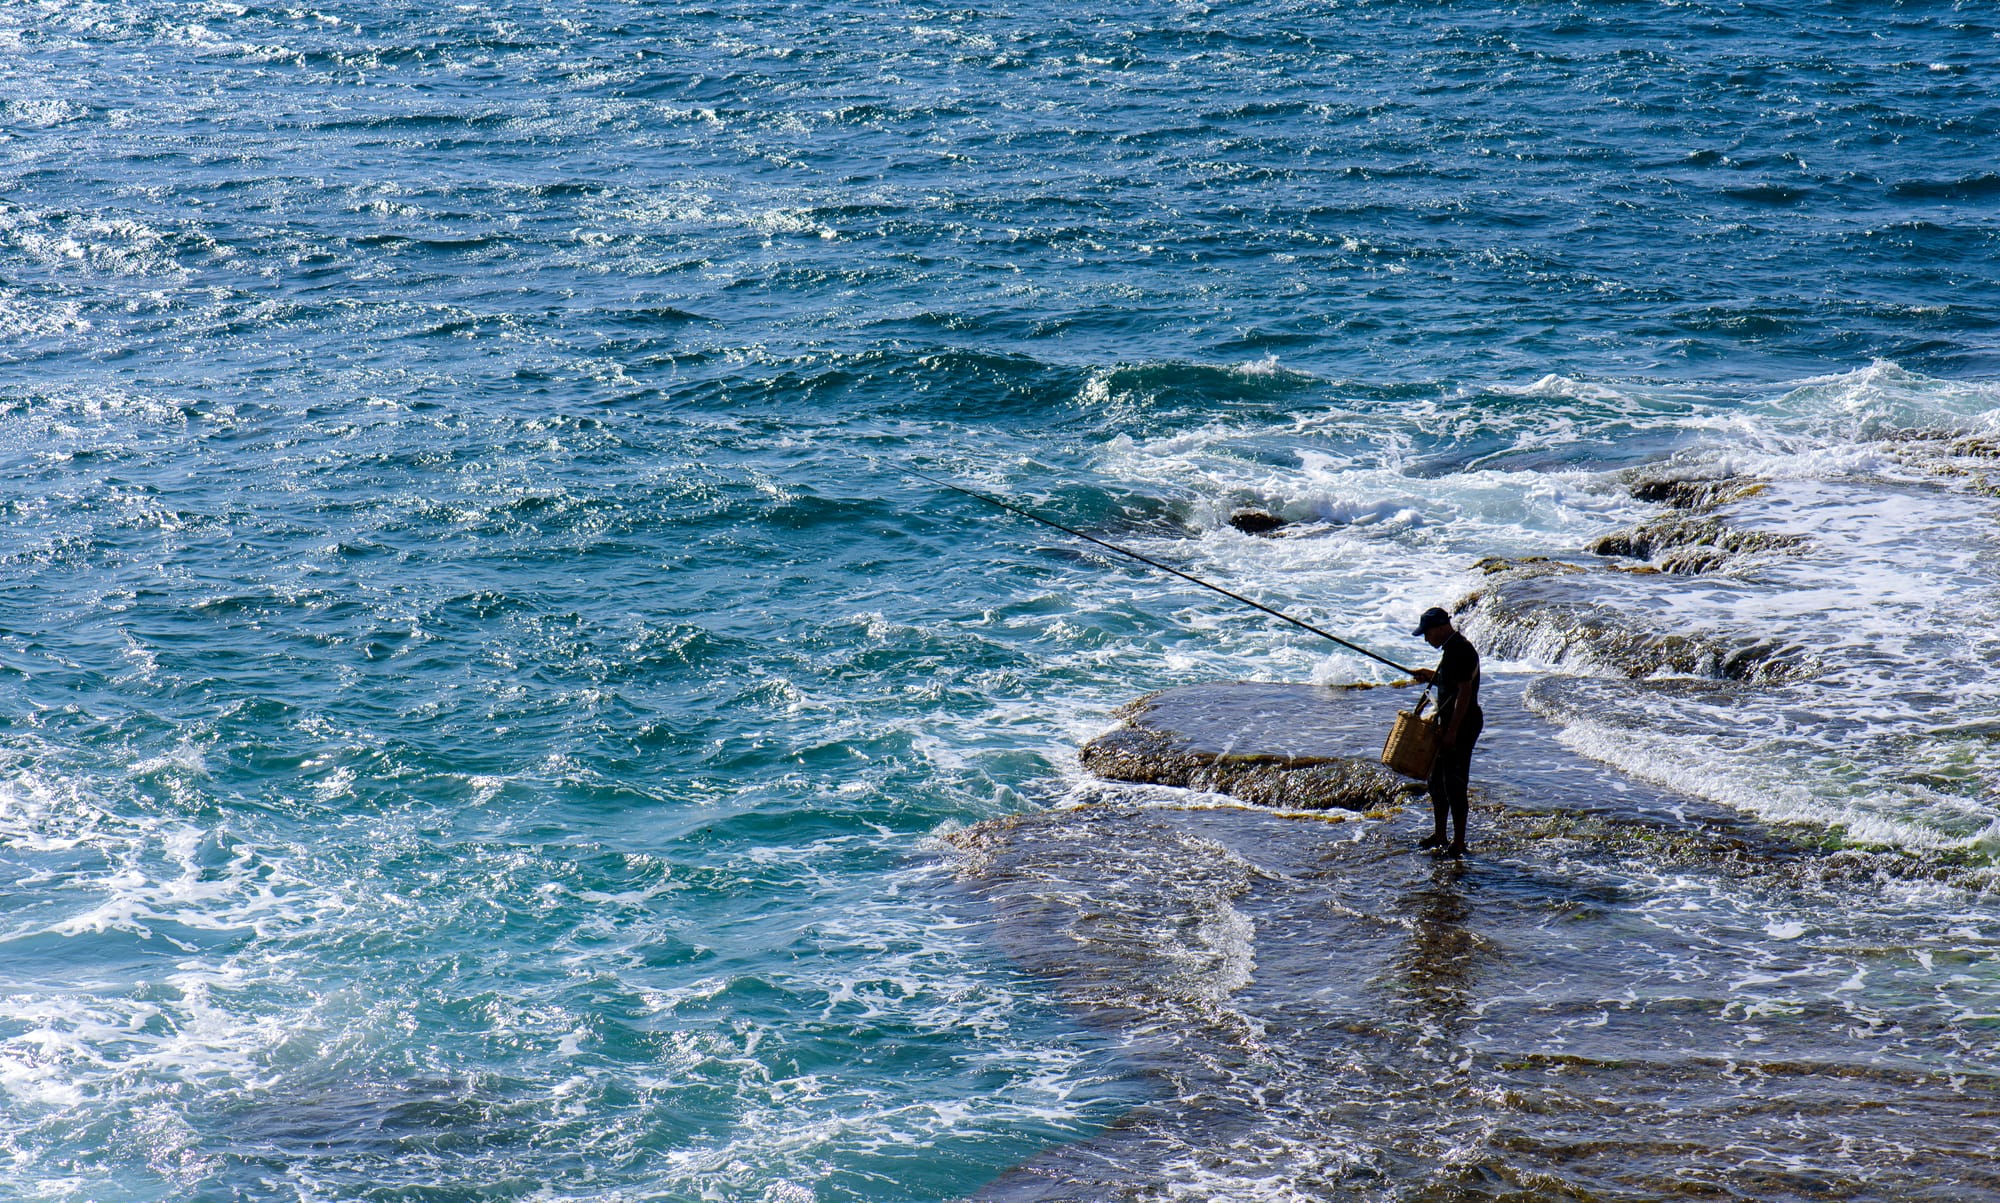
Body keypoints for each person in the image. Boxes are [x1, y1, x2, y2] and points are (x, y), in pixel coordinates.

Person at [1409, 607, 1482, 857]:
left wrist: (1452, 731)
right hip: (1448, 724)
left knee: (1455, 784)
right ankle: (1440, 835)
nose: (1426, 639)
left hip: (1462, 724)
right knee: (1436, 783)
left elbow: (1465, 693)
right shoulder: (1451, 649)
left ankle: (1459, 843)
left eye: (1427, 634)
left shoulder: (1460, 649)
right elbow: (1450, 681)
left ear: (1441, 628)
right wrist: (1430, 675)